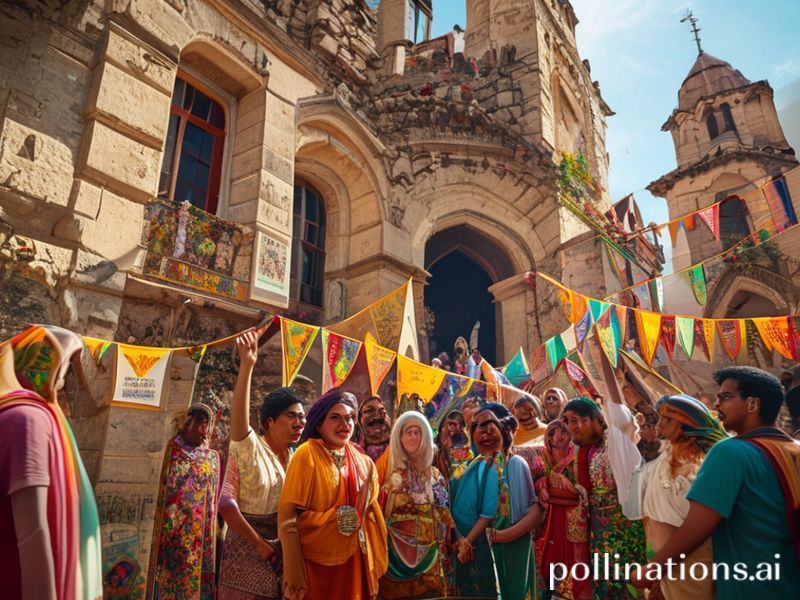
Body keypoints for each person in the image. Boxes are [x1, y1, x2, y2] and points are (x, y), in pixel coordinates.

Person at [634, 367, 800, 598]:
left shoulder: (730, 452)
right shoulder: (794, 448)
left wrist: (652, 569)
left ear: (753, 405)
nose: (717, 405)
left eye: (726, 397)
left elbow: (697, 527)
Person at [0, 325, 102, 600]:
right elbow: (33, 532)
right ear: (45, 363)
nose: (64, 379)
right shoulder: (27, 421)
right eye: (66, 365)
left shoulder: (15, 414)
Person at [218, 330, 306, 600]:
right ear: (269, 421)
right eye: (291, 416)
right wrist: (247, 366)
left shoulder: (295, 458)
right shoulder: (252, 448)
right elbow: (225, 505)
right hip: (245, 556)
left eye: (302, 417)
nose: (299, 422)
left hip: (279, 559)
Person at [278, 390, 388, 600]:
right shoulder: (307, 454)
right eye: (335, 417)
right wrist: (334, 520)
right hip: (318, 564)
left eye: (349, 418)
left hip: (356, 561)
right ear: (319, 424)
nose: (344, 424)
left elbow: (372, 512)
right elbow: (289, 517)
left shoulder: (363, 461)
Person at [630, 394, 728, 600]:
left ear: (687, 423)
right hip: (668, 568)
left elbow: (695, 525)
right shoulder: (668, 457)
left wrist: (655, 568)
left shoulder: (694, 464)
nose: (660, 424)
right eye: (661, 418)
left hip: (692, 564)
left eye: (669, 419)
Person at [451, 404, 543, 598]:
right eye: (478, 428)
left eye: (490, 427)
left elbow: (533, 514)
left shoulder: (514, 464)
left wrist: (501, 536)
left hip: (512, 546)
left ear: (505, 431)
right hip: (483, 549)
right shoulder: (475, 466)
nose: (485, 435)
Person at [563, 397, 646, 599]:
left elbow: (617, 408)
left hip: (624, 529)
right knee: (604, 584)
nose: (571, 427)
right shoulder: (583, 450)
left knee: (627, 584)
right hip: (597, 534)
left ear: (595, 418)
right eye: (568, 421)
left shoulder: (616, 442)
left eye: (575, 420)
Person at [147, 403, 220, 600]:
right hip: (170, 537)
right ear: (188, 423)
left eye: (208, 424)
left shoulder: (212, 458)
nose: (204, 431)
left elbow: (212, 503)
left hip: (199, 542)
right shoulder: (171, 450)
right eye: (200, 423)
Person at [379, 411, 456, 599]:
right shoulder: (387, 475)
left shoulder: (435, 476)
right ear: (399, 437)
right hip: (395, 558)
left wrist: (457, 537)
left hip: (432, 556)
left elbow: (444, 512)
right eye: (408, 432)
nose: (413, 437)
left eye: (417, 432)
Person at [534, 419, 590, 600]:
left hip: (573, 514)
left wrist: (572, 487)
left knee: (574, 558)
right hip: (550, 516)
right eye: (552, 433)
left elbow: (583, 486)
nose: (558, 436)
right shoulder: (542, 457)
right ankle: (549, 593)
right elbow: (537, 480)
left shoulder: (578, 456)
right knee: (549, 557)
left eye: (564, 432)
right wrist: (544, 484)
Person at [355, 395, 392, 484]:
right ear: (359, 420)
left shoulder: (399, 452)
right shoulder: (351, 454)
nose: (377, 416)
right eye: (370, 411)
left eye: (382, 411)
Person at [434, 409, 473, 488]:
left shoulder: (467, 455)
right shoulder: (432, 452)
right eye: (452, 425)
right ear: (442, 428)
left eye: (460, 425)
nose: (456, 429)